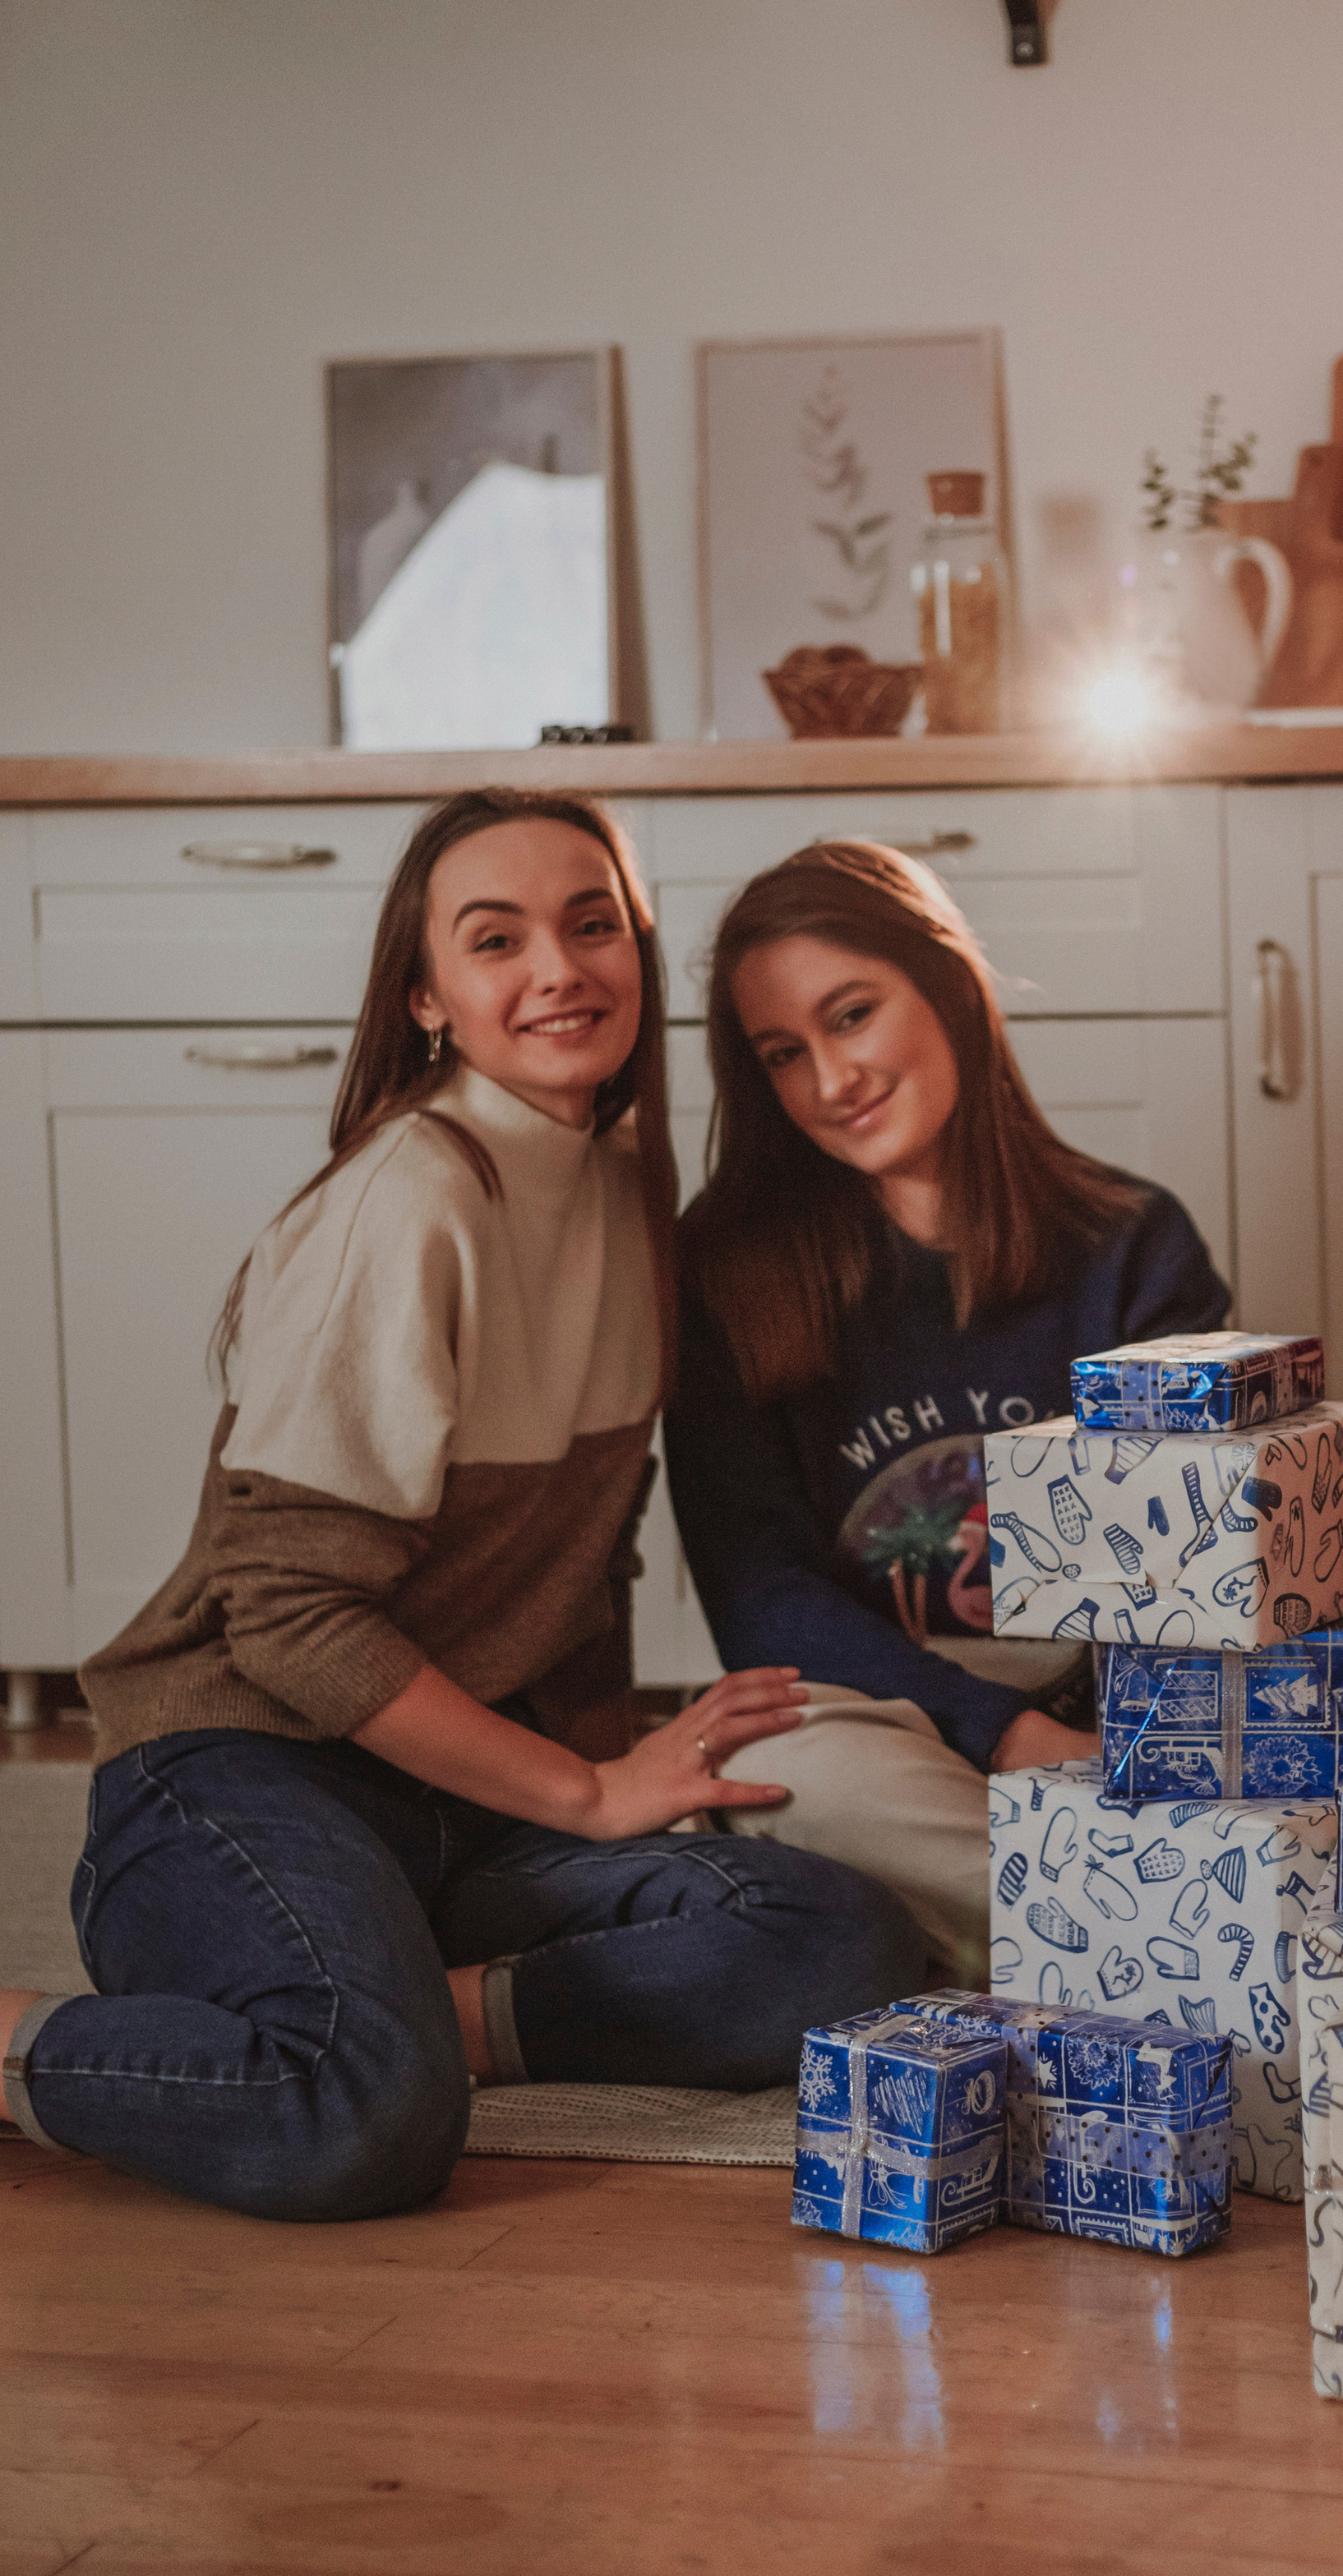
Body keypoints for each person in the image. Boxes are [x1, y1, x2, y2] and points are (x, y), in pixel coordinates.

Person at [0, 789, 923, 2222]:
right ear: (428, 997)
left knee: (837, 1942)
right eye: (497, 940)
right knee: (362, 2114)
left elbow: (577, 1570)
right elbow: (287, 1617)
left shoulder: (623, 1197)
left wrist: (615, 1785)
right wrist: (586, 1796)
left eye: (590, 922)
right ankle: (63, 2037)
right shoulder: (410, 1199)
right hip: (240, 1774)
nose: (557, 967)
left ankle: (417, 2009)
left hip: (450, 1804)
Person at [665, 838, 1233, 1977]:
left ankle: (1024, 1935)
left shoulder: (1133, 1245)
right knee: (794, 1776)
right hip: (885, 1724)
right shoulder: (728, 1273)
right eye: (785, 1053)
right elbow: (761, 1596)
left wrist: (1120, 1753)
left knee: (1246, 1758)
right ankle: (1170, 1941)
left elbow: (1198, 1561)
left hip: (1106, 1722)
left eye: (853, 1014)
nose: (831, 1080)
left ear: (947, 985)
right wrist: (1005, 1738)